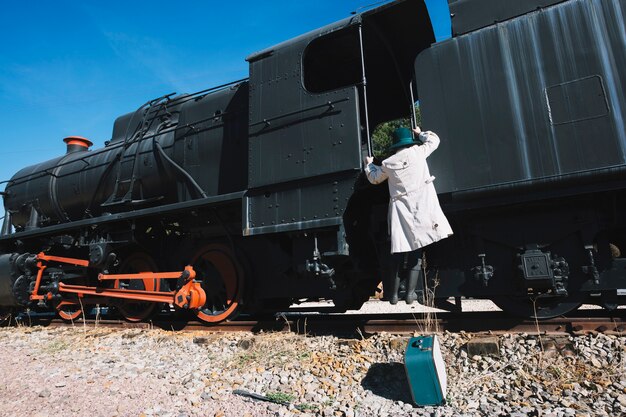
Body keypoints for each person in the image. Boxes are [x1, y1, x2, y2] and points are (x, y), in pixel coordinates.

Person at [364, 126, 452, 304]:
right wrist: (421, 133)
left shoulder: (388, 163)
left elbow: (374, 178)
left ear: (395, 145)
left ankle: (394, 295)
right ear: (408, 141)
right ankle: (411, 294)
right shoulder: (418, 152)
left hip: (401, 210)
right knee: (416, 250)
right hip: (422, 205)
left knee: (399, 250)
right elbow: (434, 140)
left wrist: (369, 164)